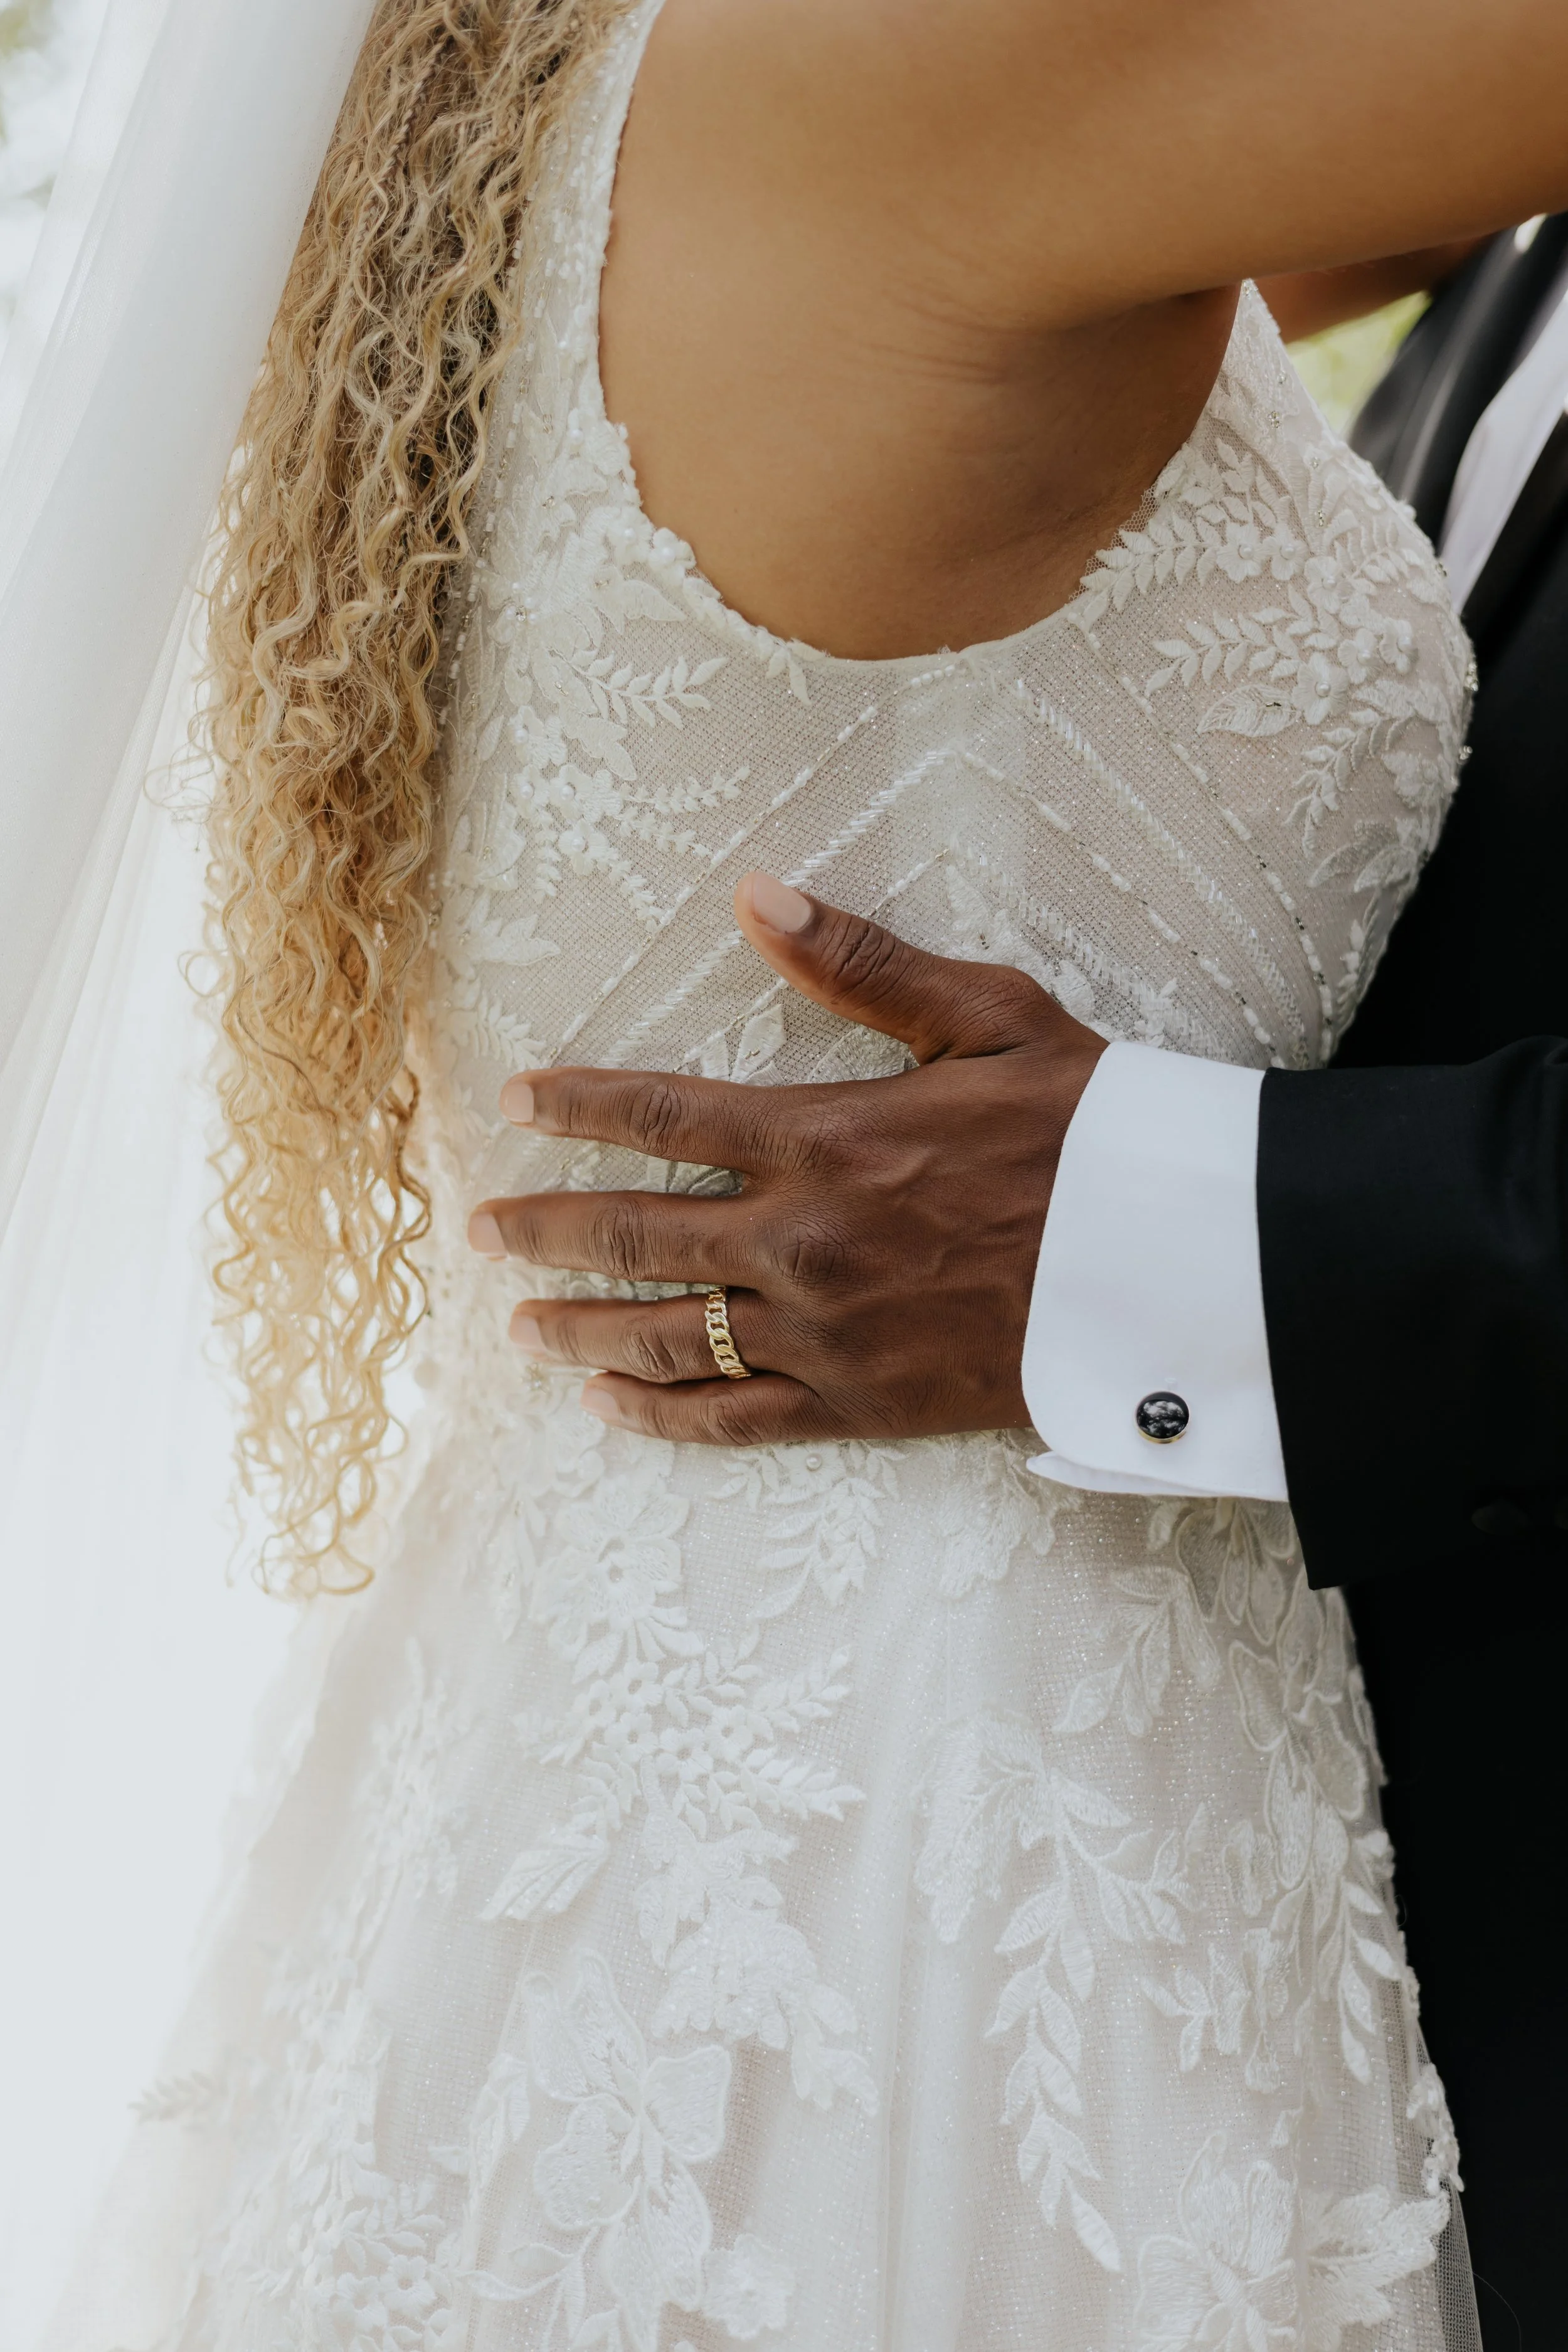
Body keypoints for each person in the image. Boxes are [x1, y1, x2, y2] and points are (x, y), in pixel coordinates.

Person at [29, 3, 1568, 2347]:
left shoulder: (574, 94)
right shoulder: (912, 64)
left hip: (590, 1788)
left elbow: (1387, 205)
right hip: (961, 1844)